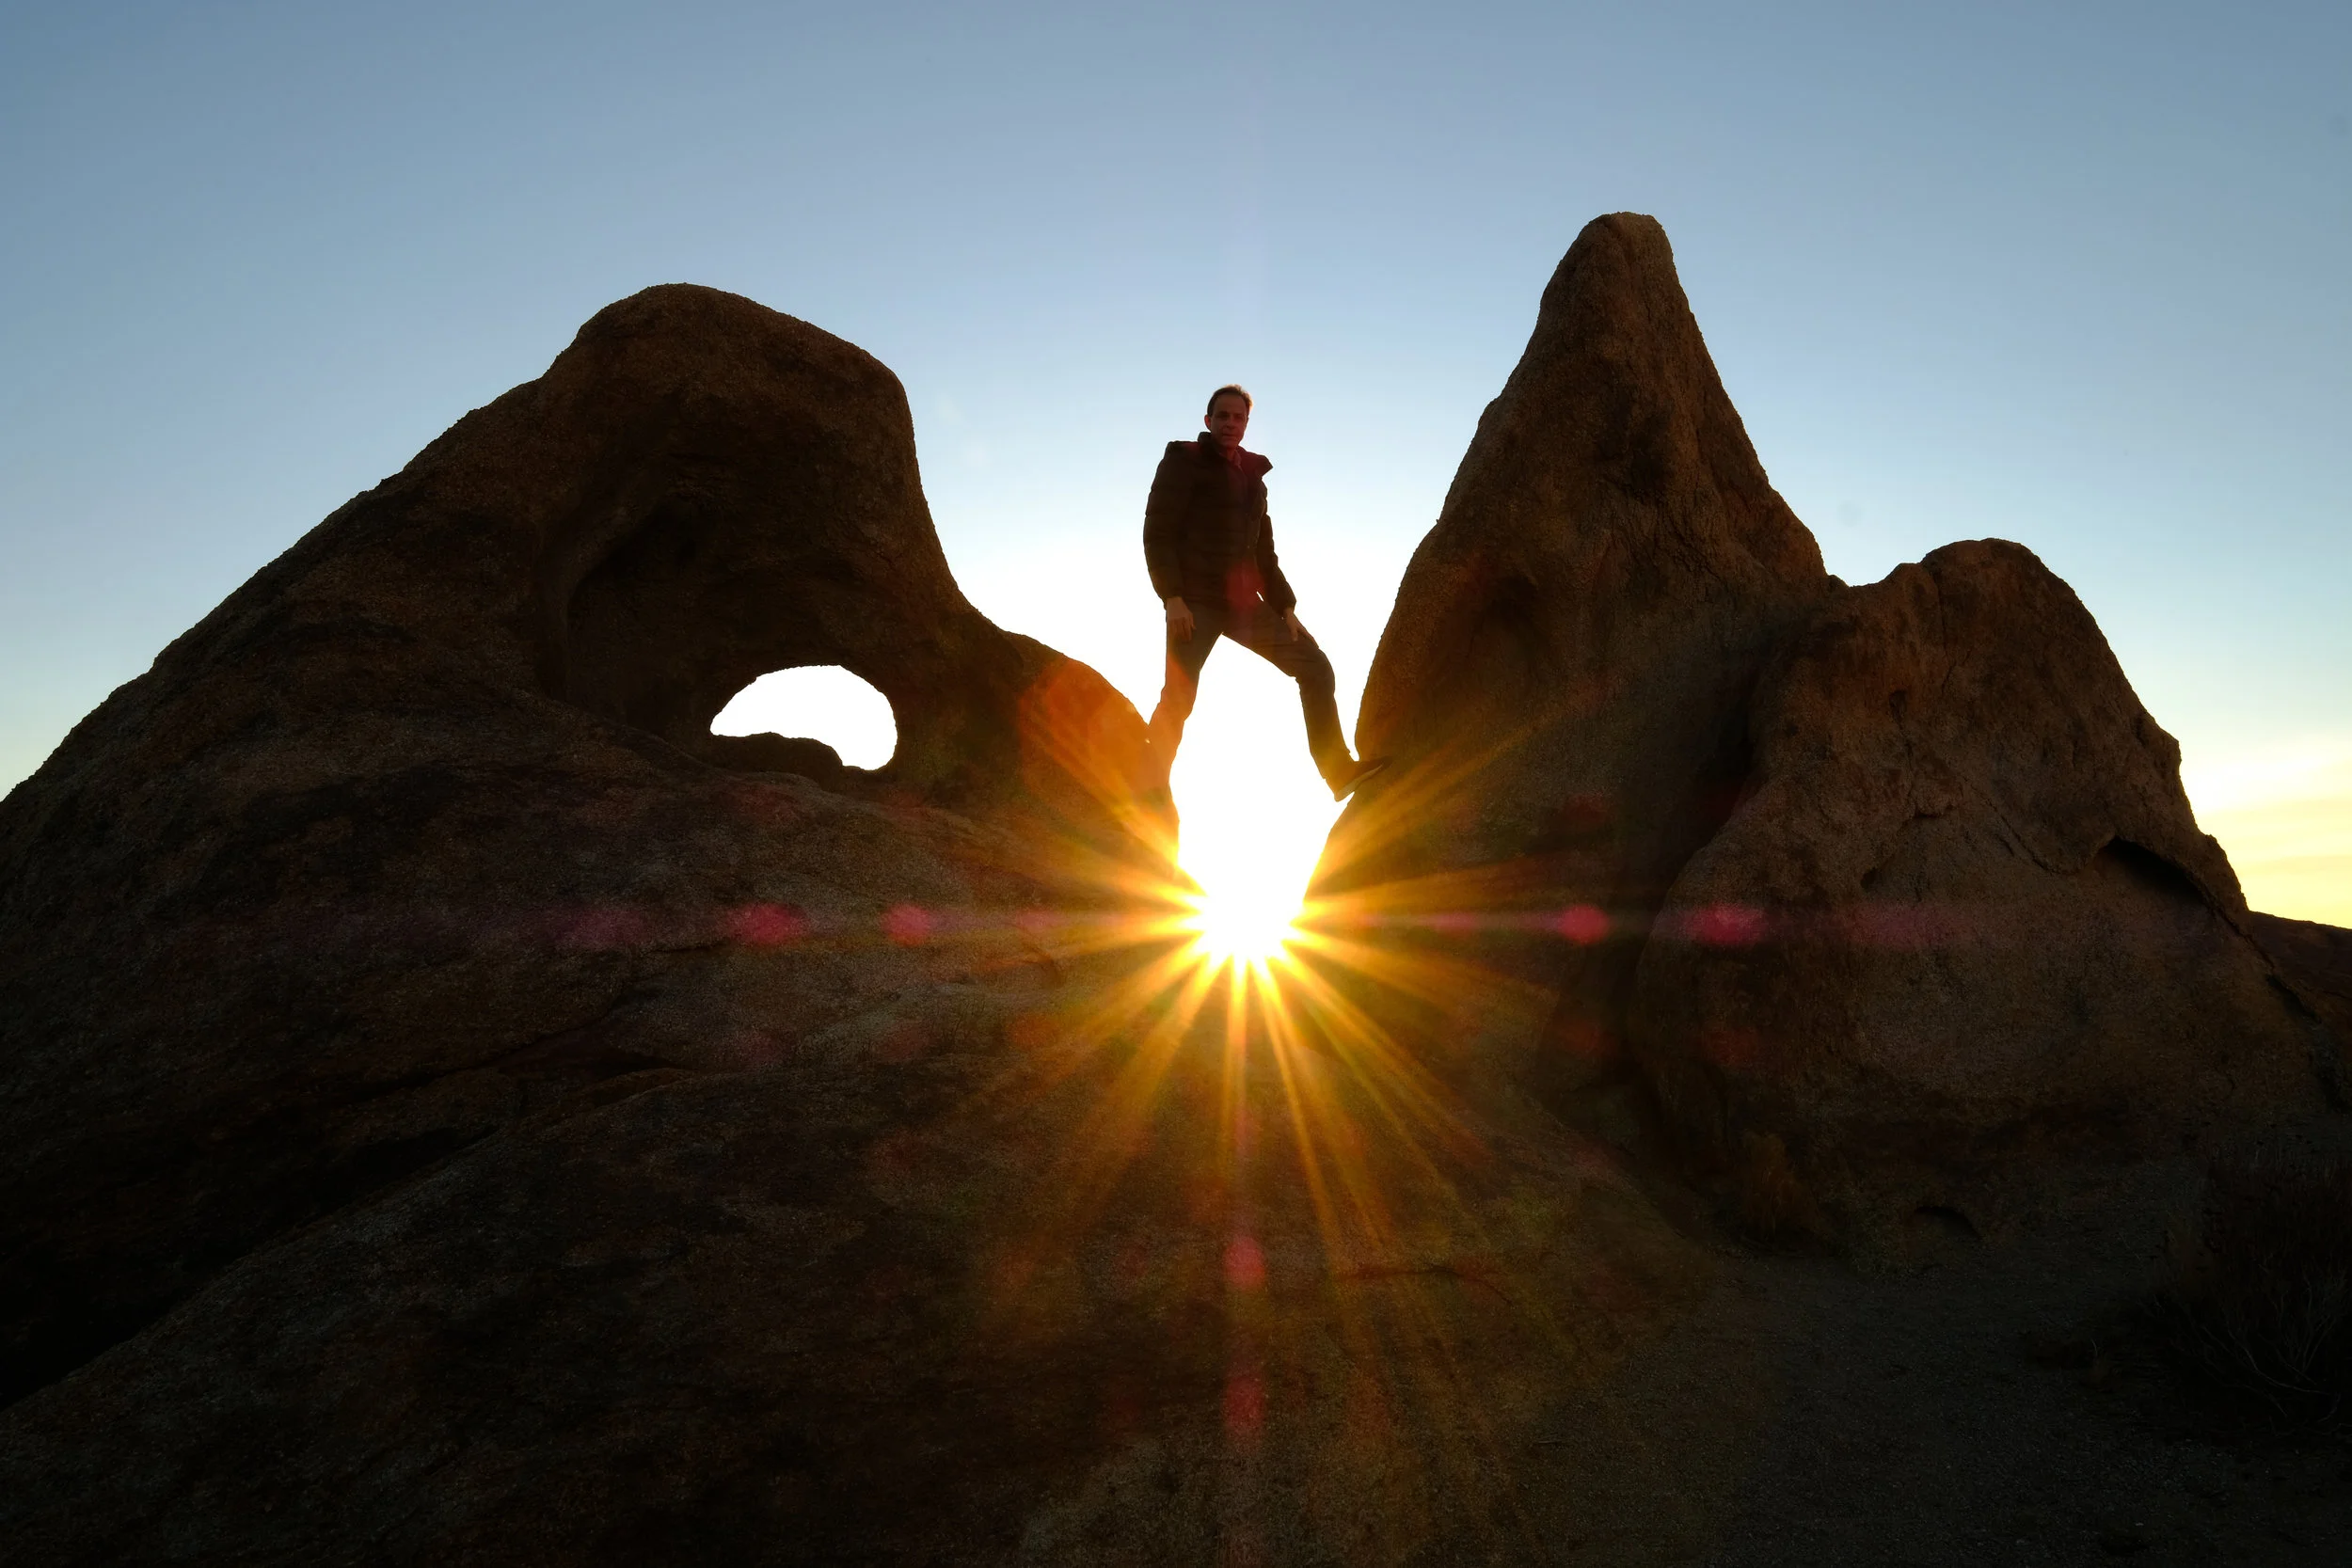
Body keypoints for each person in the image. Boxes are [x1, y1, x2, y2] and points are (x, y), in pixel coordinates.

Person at [1142, 385, 1387, 801]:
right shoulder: (1184, 461)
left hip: (1242, 605)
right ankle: (1147, 789)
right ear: (1208, 421)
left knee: (1315, 666)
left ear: (1246, 424)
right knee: (1178, 699)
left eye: (1238, 417)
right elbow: (1157, 532)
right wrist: (1173, 598)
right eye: (1222, 416)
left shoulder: (1253, 479)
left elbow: (1263, 554)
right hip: (1194, 603)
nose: (1230, 423)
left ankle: (1339, 771)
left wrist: (1286, 607)